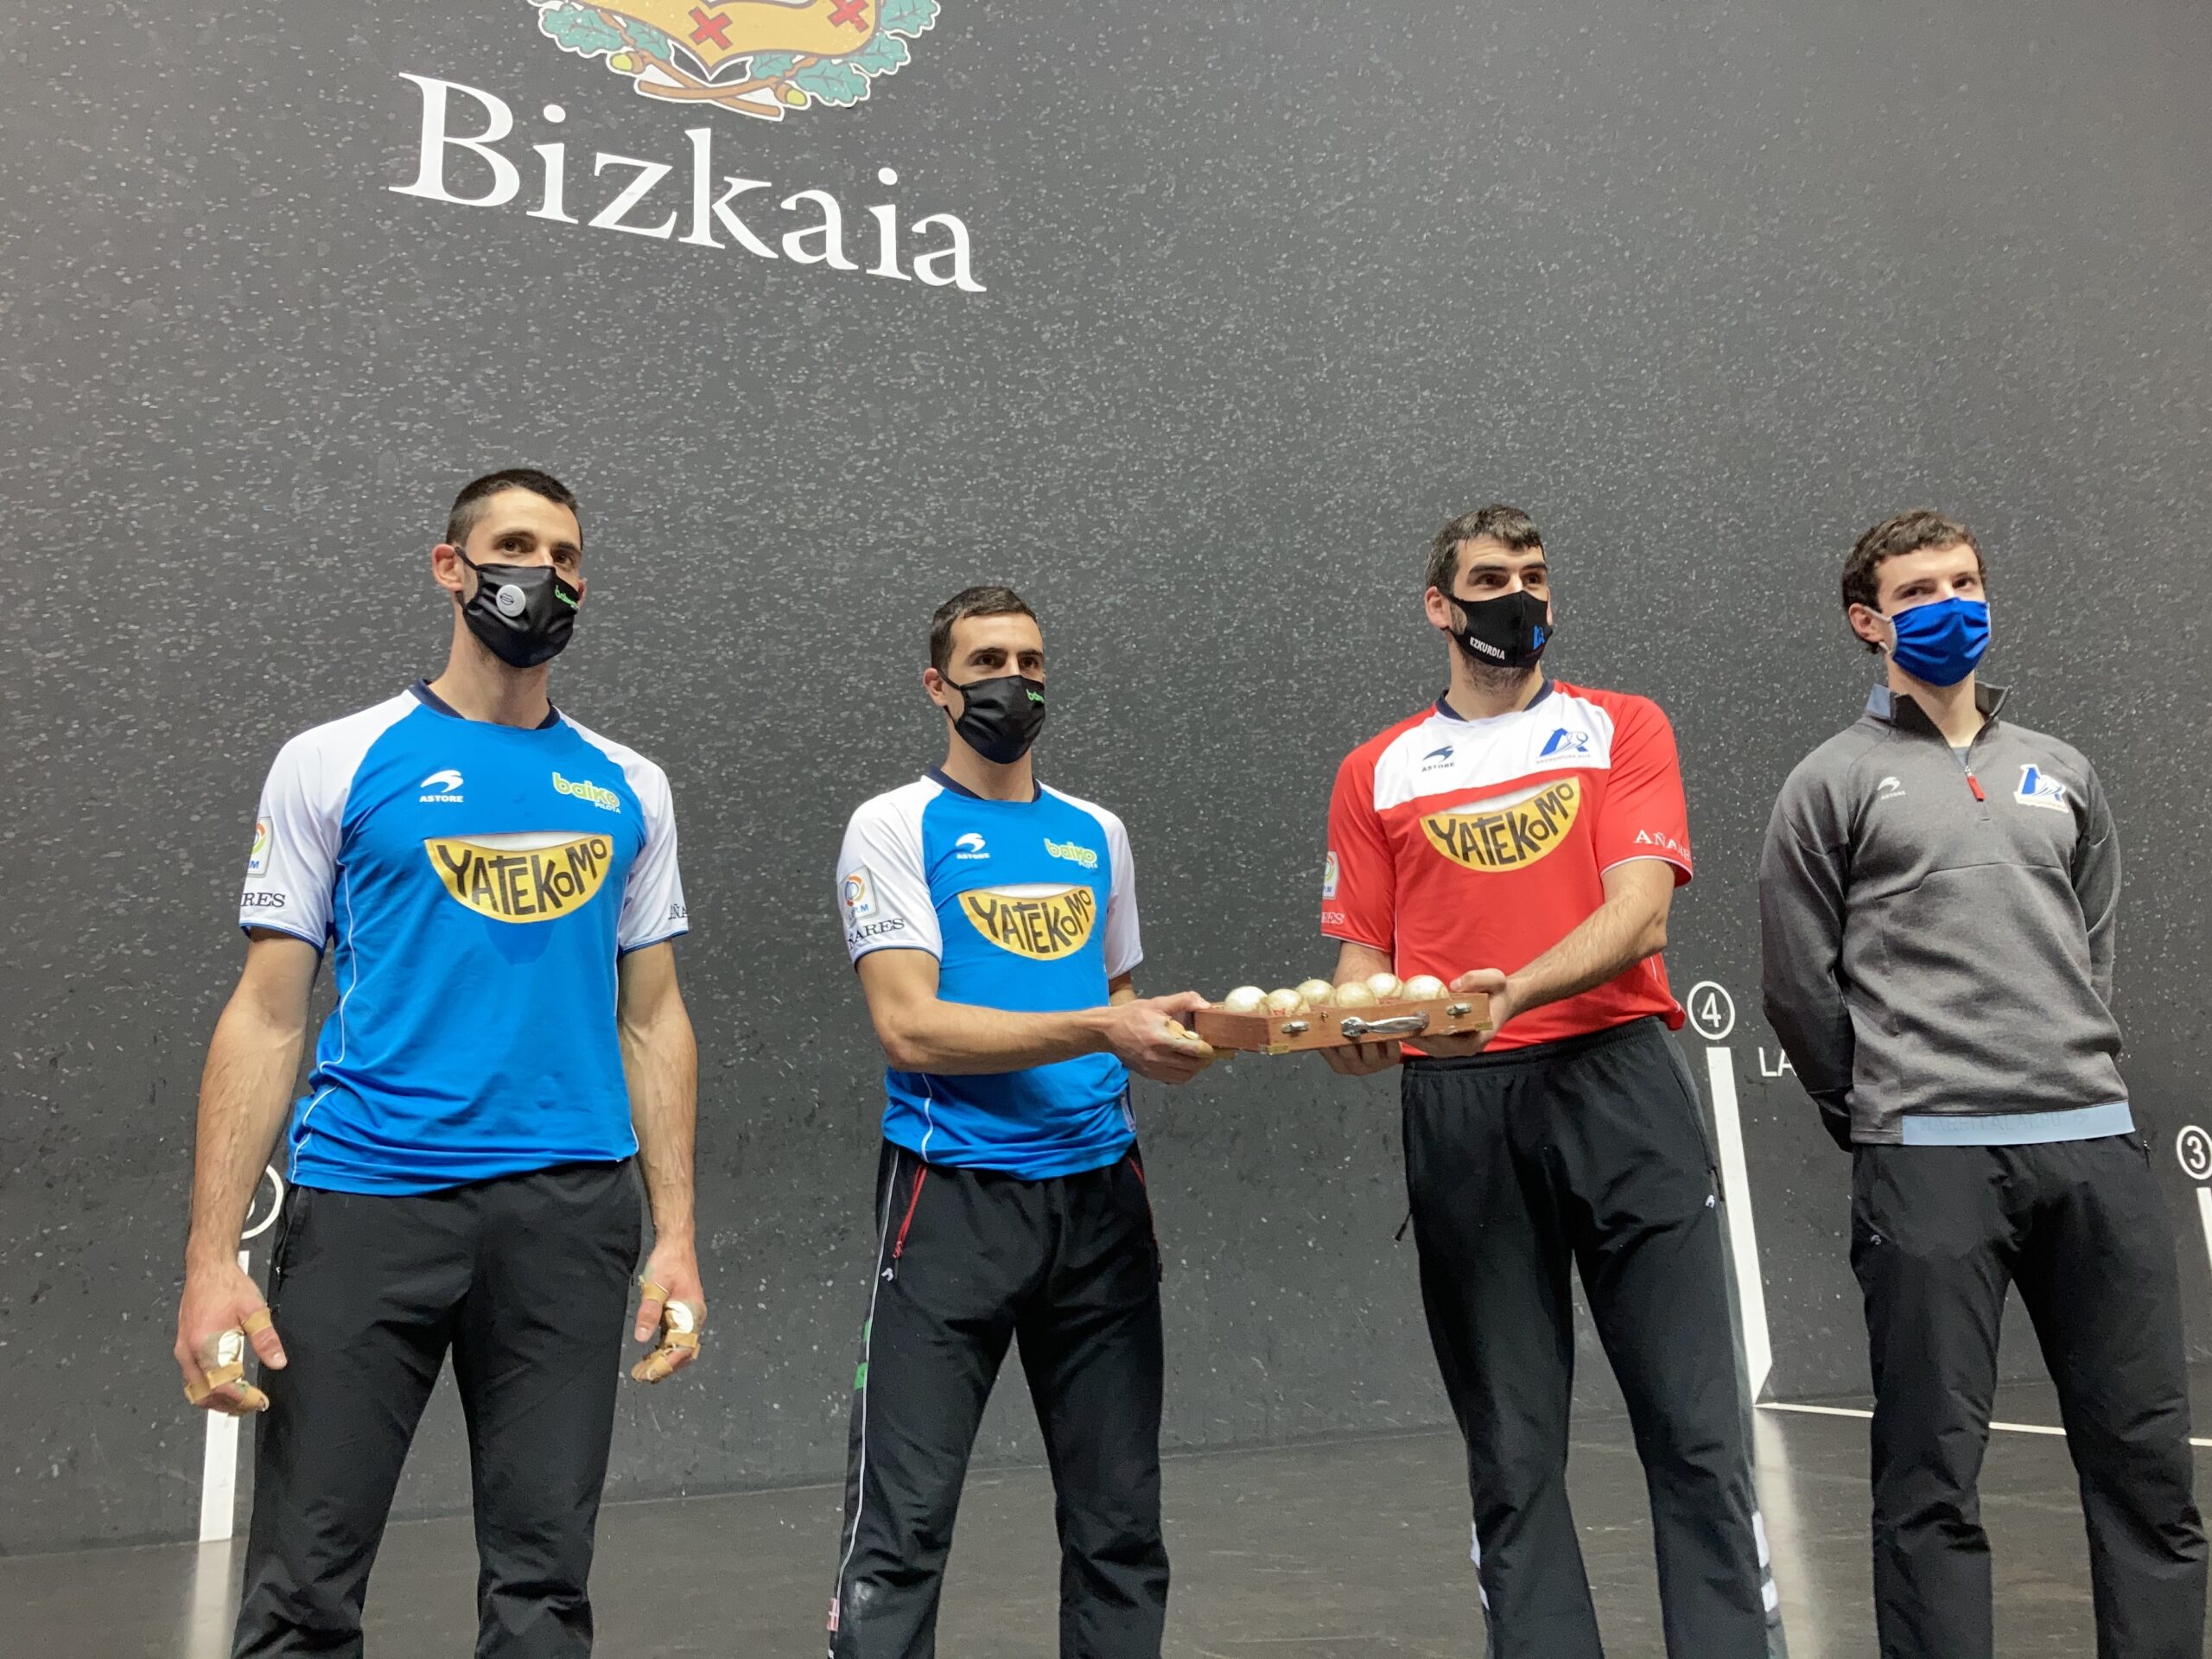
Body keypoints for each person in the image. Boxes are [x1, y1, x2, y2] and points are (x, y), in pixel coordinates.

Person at [172, 467, 705, 1657]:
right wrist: (211, 1260)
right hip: (370, 1206)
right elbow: (267, 1014)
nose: (543, 573)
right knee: (303, 1591)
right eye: (515, 545)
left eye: (565, 555)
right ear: (449, 567)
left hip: (570, 1218)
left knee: (543, 1591)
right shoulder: (334, 760)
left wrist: (674, 1235)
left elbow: (654, 1018)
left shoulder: (631, 785)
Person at [1314, 505, 1778, 1658]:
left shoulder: (1621, 727)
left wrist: (1510, 992)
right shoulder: (1374, 771)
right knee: (1513, 1453)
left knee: (1696, 1430)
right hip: (1461, 1108)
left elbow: (1641, 915)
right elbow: (1364, 958)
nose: (1517, 595)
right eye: (1488, 579)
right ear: (1439, 605)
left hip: (1619, 1085)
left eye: (1532, 574)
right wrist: (1350, 1024)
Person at [1758, 508, 2205, 1659]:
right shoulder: (1830, 782)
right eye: (1917, 592)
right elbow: (1800, 987)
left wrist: (2066, 1063)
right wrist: (1881, 1108)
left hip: (2091, 1149)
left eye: (1963, 582)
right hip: (1928, 1160)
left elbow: (2087, 948)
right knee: (1929, 1481)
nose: (1948, 605)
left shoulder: (2063, 772)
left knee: (2147, 1467)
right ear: (1867, 622)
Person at [824, 585, 1213, 1659]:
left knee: (1120, 1526)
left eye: (1031, 663)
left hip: (1101, 1203)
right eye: (988, 662)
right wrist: (1103, 1026)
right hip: (949, 1200)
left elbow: (1116, 1003)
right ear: (937, 686)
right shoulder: (893, 825)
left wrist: (1171, 1039)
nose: (1014, 681)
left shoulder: (1097, 834)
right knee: (899, 1532)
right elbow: (909, 1027)